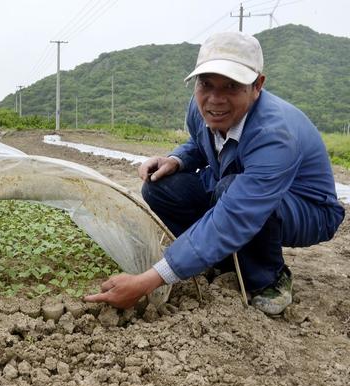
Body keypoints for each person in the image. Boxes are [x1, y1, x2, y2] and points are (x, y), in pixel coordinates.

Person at [84, 31, 345, 315]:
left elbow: (238, 213)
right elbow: (200, 142)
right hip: (234, 186)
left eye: (231, 86)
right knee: (159, 186)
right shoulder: (200, 108)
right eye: (205, 84)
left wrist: (147, 282)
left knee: (230, 192)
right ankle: (218, 259)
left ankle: (269, 278)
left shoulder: (274, 134)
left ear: (257, 85)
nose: (215, 99)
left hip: (306, 209)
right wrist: (175, 159)